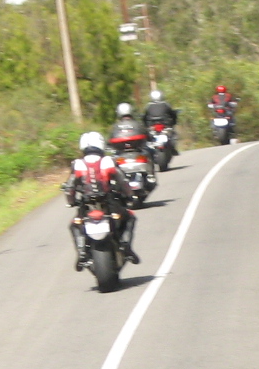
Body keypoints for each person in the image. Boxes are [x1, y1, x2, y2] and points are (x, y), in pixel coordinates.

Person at [64, 131, 138, 268]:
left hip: (86, 204)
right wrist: (130, 195)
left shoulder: (78, 164)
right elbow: (122, 180)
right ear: (101, 144)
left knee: (74, 225)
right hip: (109, 201)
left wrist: (71, 201)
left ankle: (81, 252)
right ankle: (126, 245)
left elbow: (69, 187)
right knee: (130, 217)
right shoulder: (108, 161)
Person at [142, 88, 179, 158]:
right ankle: (172, 149)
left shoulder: (148, 106)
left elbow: (144, 117)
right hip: (165, 126)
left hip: (154, 127)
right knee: (173, 135)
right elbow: (172, 114)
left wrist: (147, 125)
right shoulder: (166, 104)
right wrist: (173, 122)